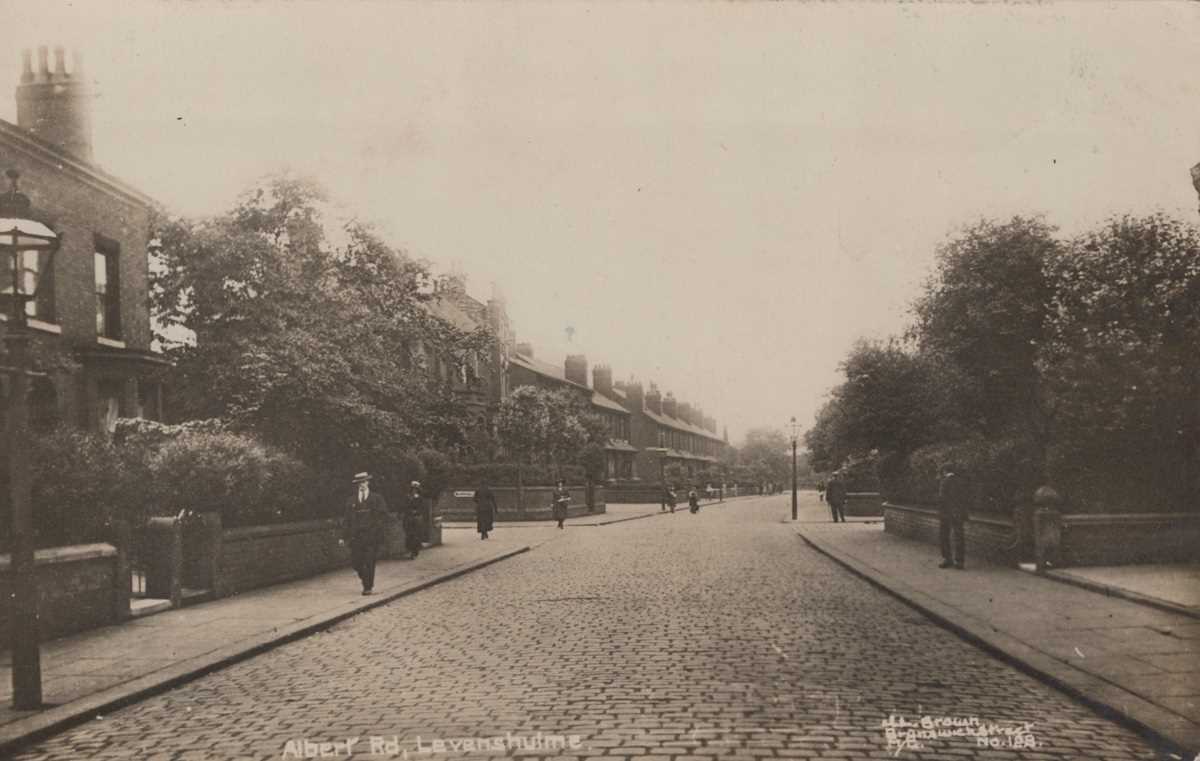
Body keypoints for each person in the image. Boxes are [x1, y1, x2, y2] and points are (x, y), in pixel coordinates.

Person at [342, 472, 388, 595]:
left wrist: (376, 530)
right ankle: (365, 578)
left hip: (371, 536)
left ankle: (367, 587)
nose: (362, 485)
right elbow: (346, 519)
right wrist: (343, 536)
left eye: (364, 482)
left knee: (369, 561)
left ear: (368, 482)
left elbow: (383, 516)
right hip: (356, 536)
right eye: (359, 483)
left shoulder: (377, 498)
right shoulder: (351, 500)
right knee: (356, 562)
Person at [938, 463, 968, 569]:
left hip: (947, 513)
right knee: (959, 536)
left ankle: (947, 559)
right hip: (959, 513)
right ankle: (960, 561)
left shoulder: (944, 482)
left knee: (944, 536)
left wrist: (941, 512)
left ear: (945, 471)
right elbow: (965, 499)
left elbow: (942, 498)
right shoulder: (961, 481)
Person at [402, 480, 424, 559]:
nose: (414, 490)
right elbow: (404, 506)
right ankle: (411, 550)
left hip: (417, 518)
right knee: (409, 535)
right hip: (408, 518)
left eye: (416, 489)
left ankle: (415, 551)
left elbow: (422, 508)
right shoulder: (407, 497)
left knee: (416, 535)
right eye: (413, 489)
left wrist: (416, 511)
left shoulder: (420, 498)